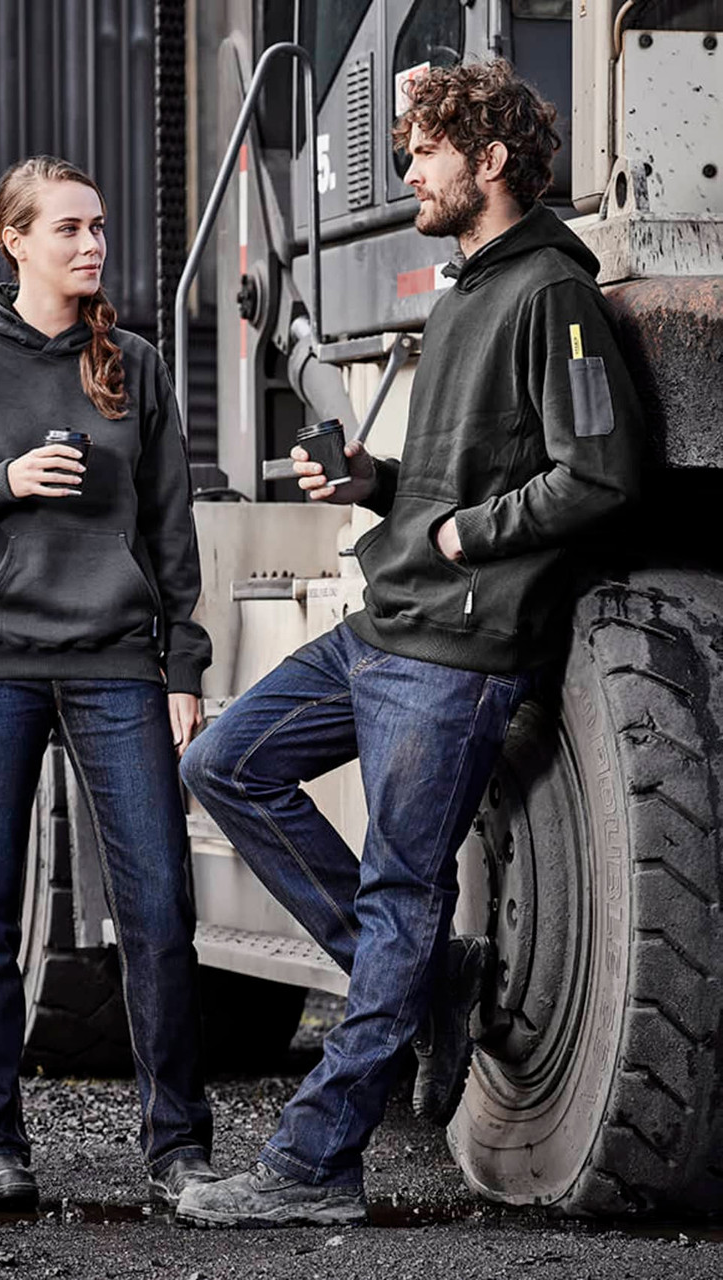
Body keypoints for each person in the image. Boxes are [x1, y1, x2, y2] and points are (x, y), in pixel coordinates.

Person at [176, 60, 643, 1228]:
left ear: (487, 162)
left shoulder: (548, 293)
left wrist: (460, 527)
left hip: (454, 654)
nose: (406, 170)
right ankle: (429, 976)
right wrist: (375, 481)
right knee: (222, 764)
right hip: (389, 621)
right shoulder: (464, 291)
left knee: (397, 892)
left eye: (424, 149)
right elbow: (461, 471)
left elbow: (598, 473)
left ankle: (312, 1164)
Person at [0, 156, 217, 1212]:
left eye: (100, 227)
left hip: (118, 661)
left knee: (159, 907)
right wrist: (1, 483)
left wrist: (182, 663)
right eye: (68, 227)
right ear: (14, 240)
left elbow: (171, 527)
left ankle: (177, 1154)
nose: (92, 244)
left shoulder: (138, 365)